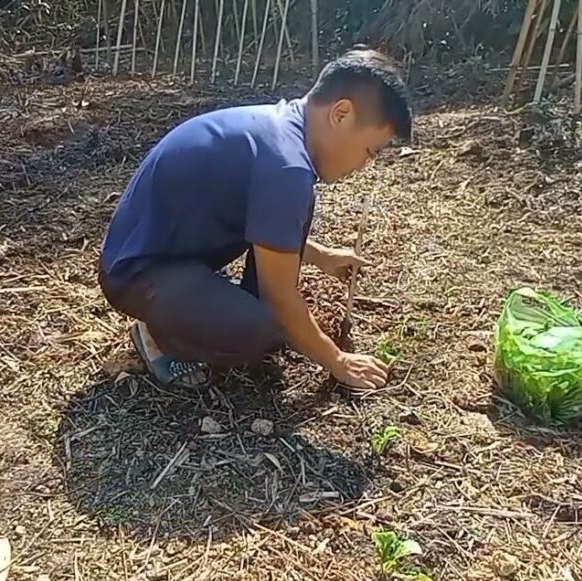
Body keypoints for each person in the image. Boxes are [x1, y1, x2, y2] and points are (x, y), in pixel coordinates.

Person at [98, 47, 413, 391]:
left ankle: (193, 308)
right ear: (341, 114)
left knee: (277, 316)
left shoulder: (283, 134)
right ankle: (159, 337)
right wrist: (337, 361)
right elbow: (280, 296)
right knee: (258, 329)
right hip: (137, 272)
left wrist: (320, 256)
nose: (363, 164)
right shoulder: (287, 167)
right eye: (369, 151)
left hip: (166, 253)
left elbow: (266, 228)